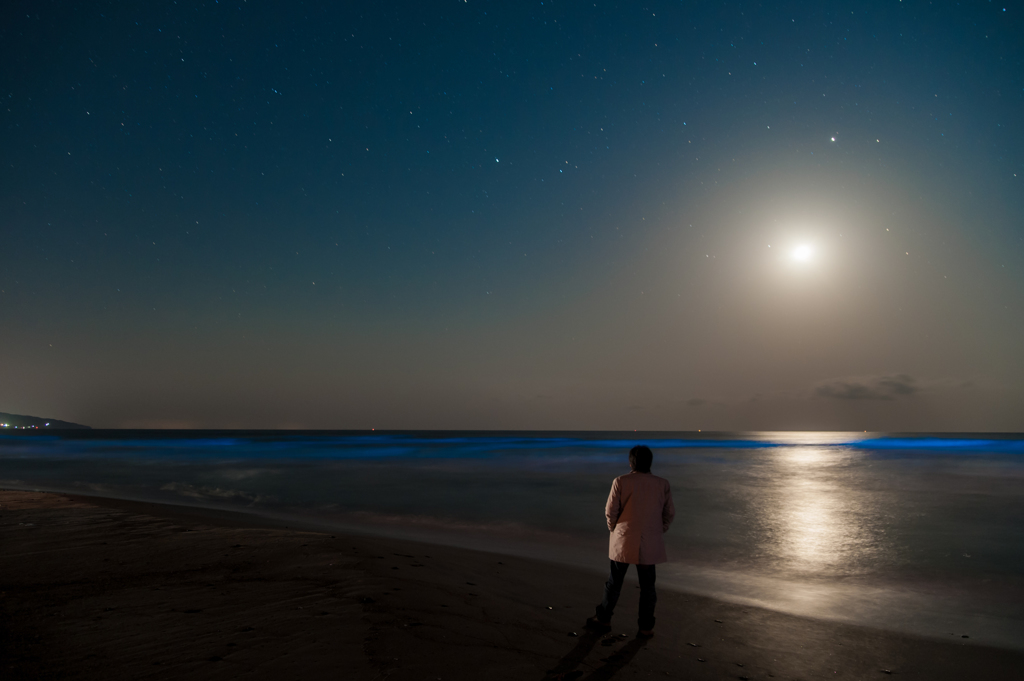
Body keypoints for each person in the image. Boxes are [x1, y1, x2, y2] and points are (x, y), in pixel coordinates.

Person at [585, 445, 675, 638]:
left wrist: (614, 530)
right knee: (648, 586)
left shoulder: (621, 481)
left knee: (614, 582)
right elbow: (669, 513)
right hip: (650, 540)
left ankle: (604, 618)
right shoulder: (662, 484)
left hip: (624, 538)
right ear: (650, 462)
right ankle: (645, 627)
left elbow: (611, 511)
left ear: (631, 462)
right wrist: (659, 530)